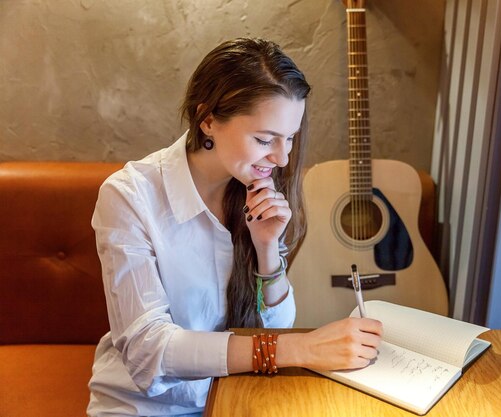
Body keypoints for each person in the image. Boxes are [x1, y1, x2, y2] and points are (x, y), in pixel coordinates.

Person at [87, 37, 383, 417]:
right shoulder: (130, 197)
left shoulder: (256, 190)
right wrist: (299, 348)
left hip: (238, 395)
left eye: (290, 138)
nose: (281, 157)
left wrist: (266, 251)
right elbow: (148, 349)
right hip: (147, 407)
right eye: (264, 139)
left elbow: (277, 323)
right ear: (207, 120)